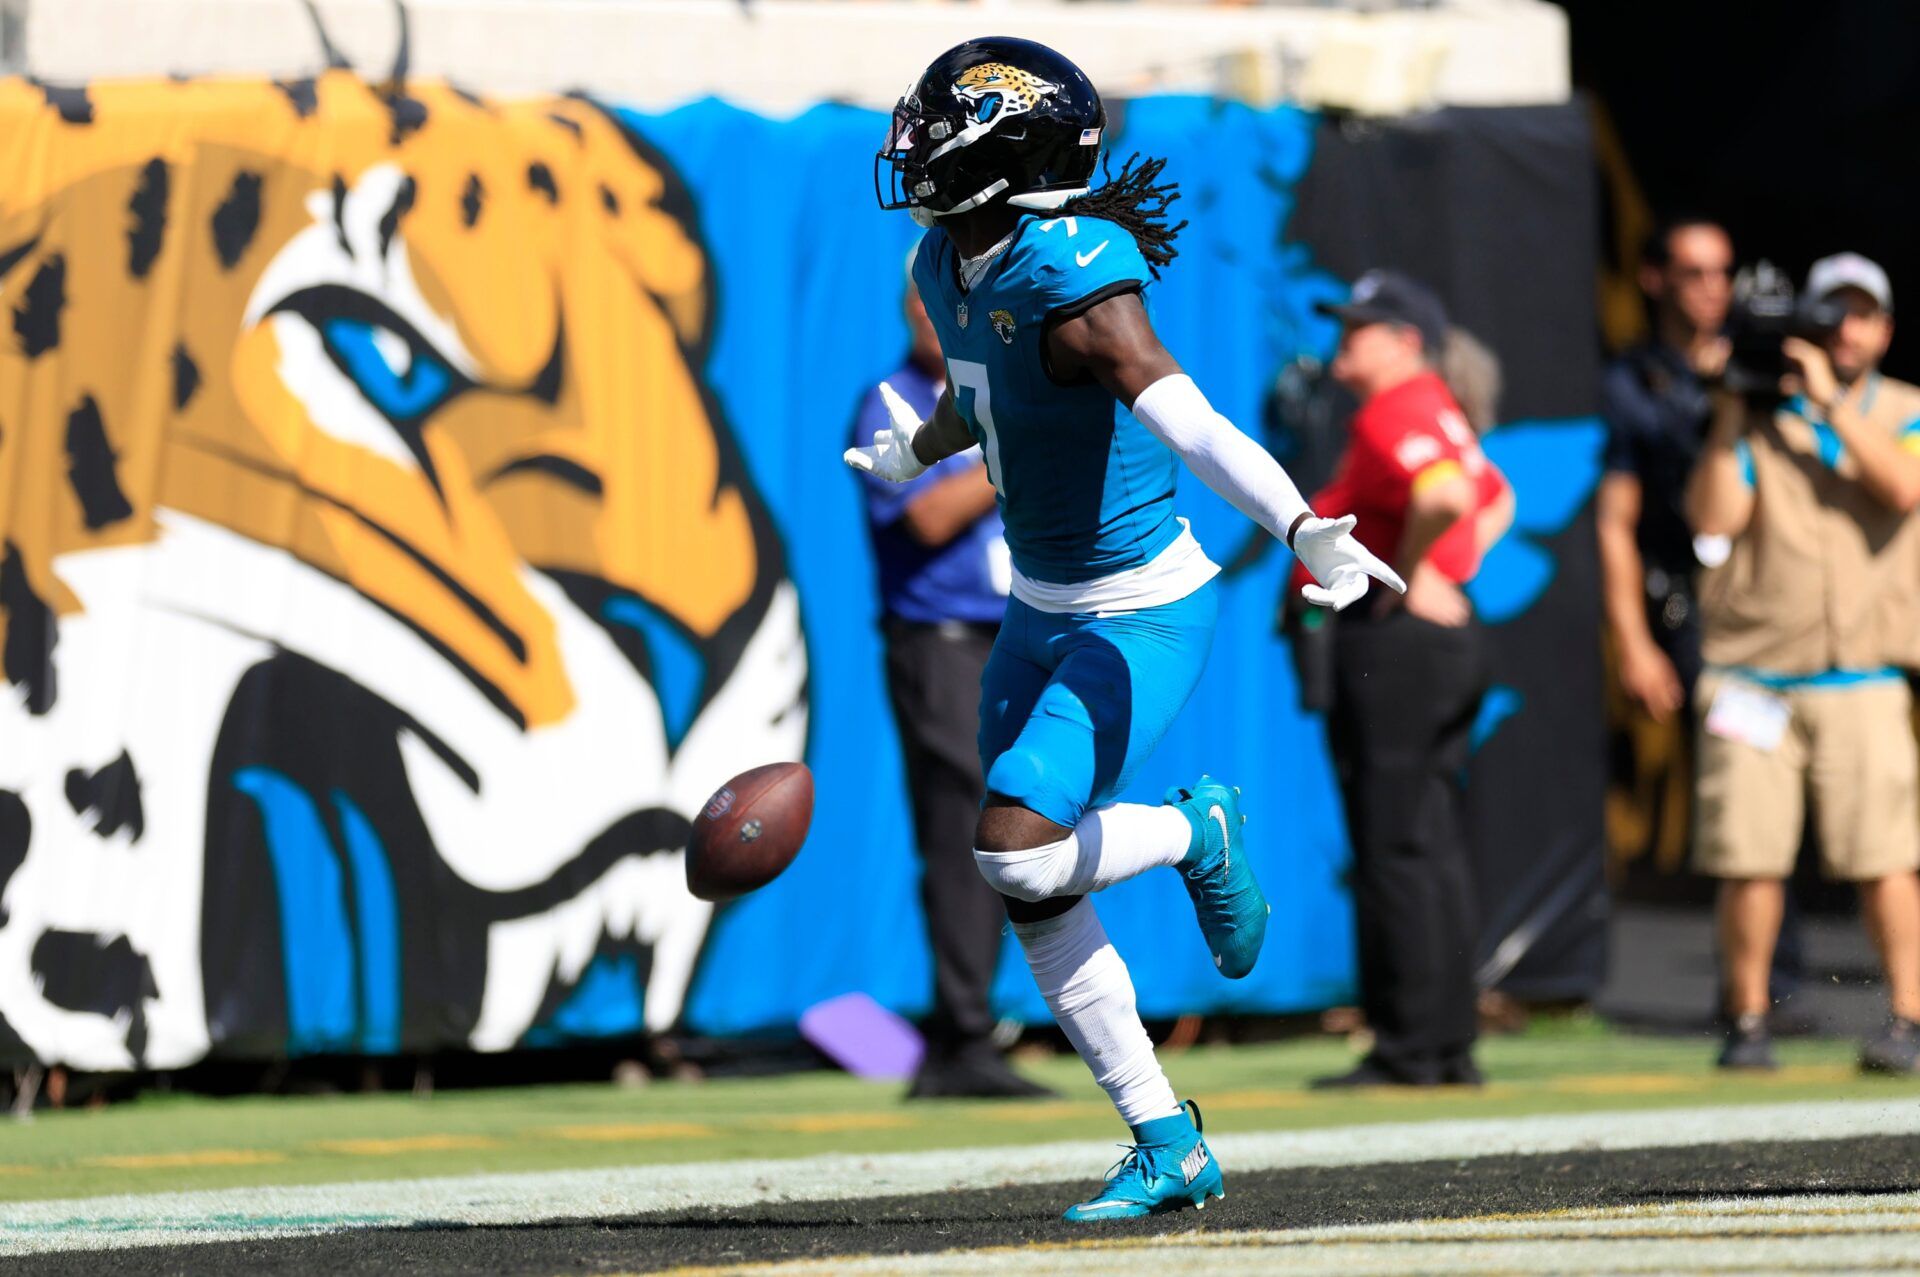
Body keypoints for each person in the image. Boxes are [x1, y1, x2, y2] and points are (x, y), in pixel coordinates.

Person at [854, 36, 1402, 1221]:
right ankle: (1166, 1136)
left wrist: (1301, 523)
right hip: (1039, 604)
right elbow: (986, 388)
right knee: (1031, 884)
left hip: (1139, 605)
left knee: (1010, 841)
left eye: (940, 127)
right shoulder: (950, 258)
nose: (914, 146)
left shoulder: (1078, 272)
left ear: (1007, 153)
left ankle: (1195, 827)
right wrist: (921, 446)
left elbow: (1194, 421)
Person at [1686, 252, 1920, 1074]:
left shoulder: (1905, 409)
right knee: (1748, 858)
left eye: (1863, 315)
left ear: (1886, 329)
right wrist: (1726, 415)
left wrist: (1827, 406)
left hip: (1865, 672)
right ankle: (1746, 1019)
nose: (1846, 331)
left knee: (1886, 855)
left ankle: (1909, 1017)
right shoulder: (1755, 416)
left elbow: (1901, 487)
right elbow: (1711, 526)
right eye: (1832, 315)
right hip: (1755, 673)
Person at [1298, 272, 1512, 1089]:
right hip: (1430, 642)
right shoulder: (1435, 408)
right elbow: (1497, 495)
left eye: (1364, 325)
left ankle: (1410, 1045)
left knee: (1394, 846)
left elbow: (1451, 493)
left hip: (1396, 645)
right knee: (1426, 840)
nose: (1345, 337)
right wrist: (1451, 568)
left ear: (1406, 342)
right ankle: (1445, 1040)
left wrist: (1413, 573)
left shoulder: (1402, 407)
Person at [850, 263, 1051, 1100]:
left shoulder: (991, 390)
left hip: (1011, 631)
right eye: (925, 305)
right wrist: (1009, 449)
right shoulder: (893, 399)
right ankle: (961, 1034)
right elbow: (926, 515)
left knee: (1022, 818)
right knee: (963, 820)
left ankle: (982, 1023)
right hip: (939, 642)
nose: (938, 320)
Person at [1599, 218, 1735, 722]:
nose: (1713, 288)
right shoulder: (1629, 383)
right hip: (1690, 598)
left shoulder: (1764, 363)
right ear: (1655, 279)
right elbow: (1616, 522)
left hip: (1776, 597)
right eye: (1695, 273)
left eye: (1723, 273)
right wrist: (1634, 644)